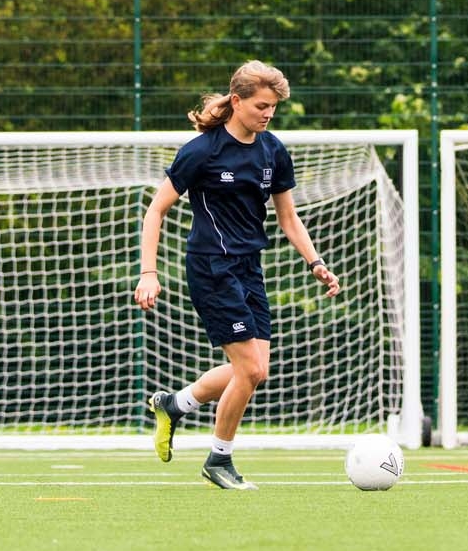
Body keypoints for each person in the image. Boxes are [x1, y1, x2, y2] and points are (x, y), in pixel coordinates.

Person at [134, 60, 340, 490]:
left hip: (249, 267)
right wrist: (148, 272)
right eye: (262, 105)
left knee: (256, 371)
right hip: (212, 267)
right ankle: (219, 460)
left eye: (274, 107)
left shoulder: (273, 150)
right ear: (237, 101)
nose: (268, 114)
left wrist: (316, 263)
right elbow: (156, 210)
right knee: (248, 369)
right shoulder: (202, 151)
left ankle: (175, 404)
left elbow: (288, 217)